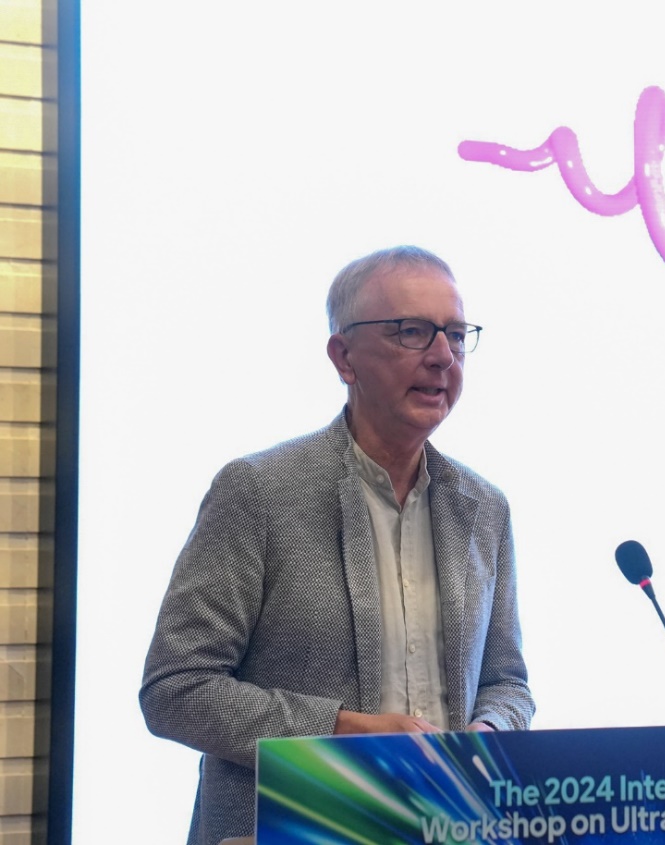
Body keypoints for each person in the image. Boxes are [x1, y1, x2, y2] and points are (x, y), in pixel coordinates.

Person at [140, 246, 534, 845]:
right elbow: (176, 689)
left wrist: (488, 737)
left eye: (456, 335)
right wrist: (343, 732)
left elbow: (507, 683)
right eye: (412, 331)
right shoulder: (260, 492)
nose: (442, 356)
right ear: (343, 357)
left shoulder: (484, 507)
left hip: (448, 827)